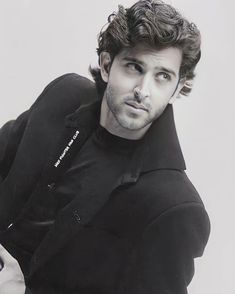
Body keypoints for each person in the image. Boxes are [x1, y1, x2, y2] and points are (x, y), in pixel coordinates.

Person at [0, 0, 210, 293]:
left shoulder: (174, 207)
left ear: (177, 86)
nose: (143, 91)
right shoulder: (65, 95)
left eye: (163, 76)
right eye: (134, 67)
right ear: (107, 65)